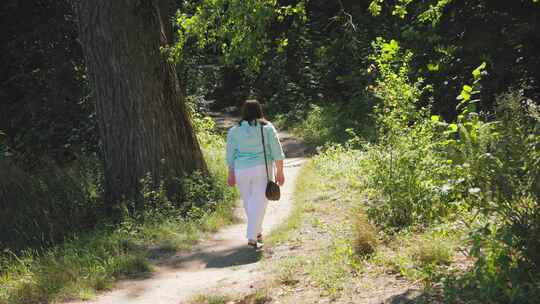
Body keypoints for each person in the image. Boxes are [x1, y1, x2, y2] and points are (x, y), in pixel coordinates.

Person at [226, 99, 285, 249]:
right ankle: (252, 237)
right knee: (259, 202)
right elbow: (277, 151)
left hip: (241, 170)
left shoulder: (234, 131)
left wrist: (230, 173)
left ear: (244, 112)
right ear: (260, 110)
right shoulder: (267, 128)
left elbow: (230, 154)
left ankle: (257, 232)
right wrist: (280, 171)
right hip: (261, 169)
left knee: (248, 202)